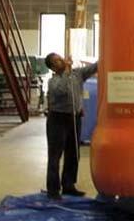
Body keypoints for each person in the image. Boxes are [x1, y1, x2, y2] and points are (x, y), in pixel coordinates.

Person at [44, 53, 98, 200]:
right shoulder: (53, 81)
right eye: (57, 60)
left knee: (73, 154)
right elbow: (62, 90)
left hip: (74, 118)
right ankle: (53, 190)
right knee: (55, 156)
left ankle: (68, 185)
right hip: (58, 119)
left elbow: (95, 67)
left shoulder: (77, 74)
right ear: (53, 67)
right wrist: (67, 71)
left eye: (60, 57)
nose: (62, 60)